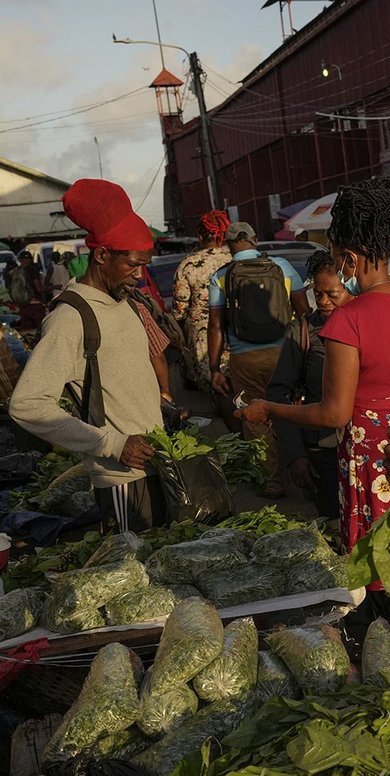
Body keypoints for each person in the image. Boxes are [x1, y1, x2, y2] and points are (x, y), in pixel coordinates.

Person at [236, 178, 390, 630]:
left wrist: (270, 409)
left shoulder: (347, 319)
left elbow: (334, 413)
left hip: (378, 456)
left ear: (350, 259)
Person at [10, 179, 166, 532]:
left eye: (144, 265)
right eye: (132, 265)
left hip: (158, 464)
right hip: (121, 481)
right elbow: (27, 404)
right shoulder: (70, 318)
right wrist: (112, 443)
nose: (140, 277)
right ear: (102, 255)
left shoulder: (123, 304)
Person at [207, 221, 308, 499]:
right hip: (284, 354)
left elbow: (215, 326)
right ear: (254, 239)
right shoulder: (281, 267)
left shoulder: (221, 276)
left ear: (228, 246)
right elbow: (304, 311)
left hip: (244, 357)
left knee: (255, 419)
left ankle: (272, 483)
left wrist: (214, 368)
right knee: (292, 410)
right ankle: (307, 477)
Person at [264, 251, 351, 519]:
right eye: (318, 293)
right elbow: (278, 393)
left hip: (367, 451)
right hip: (322, 452)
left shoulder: (368, 326)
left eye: (332, 294)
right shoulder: (301, 332)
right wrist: (295, 455)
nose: (323, 302)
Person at [173, 209, 232, 390]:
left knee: (213, 387)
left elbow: (180, 310)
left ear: (200, 237)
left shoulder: (188, 264)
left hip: (203, 335)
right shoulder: (233, 259)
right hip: (236, 330)